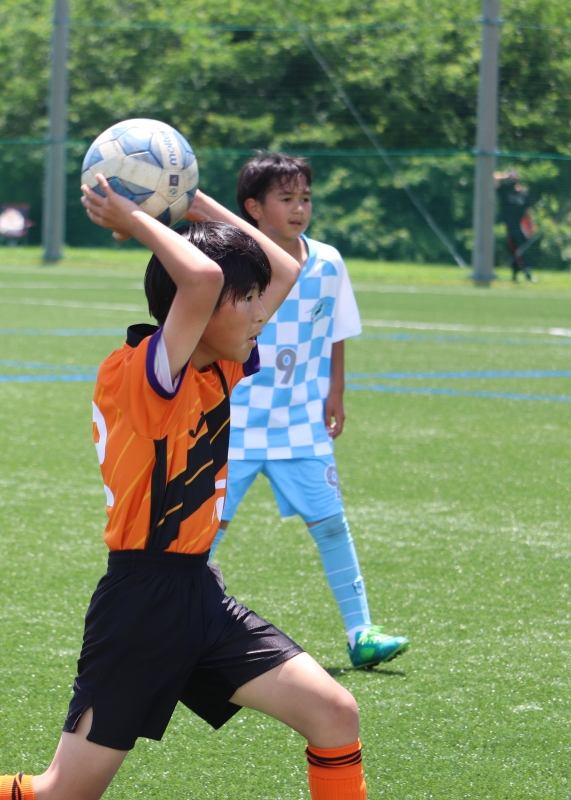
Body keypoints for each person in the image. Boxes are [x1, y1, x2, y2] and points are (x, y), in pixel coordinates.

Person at [0, 175, 369, 800]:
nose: (261, 312)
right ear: (196, 306)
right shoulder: (140, 371)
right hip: (140, 604)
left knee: (335, 714)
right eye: (245, 299)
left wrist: (190, 202)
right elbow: (203, 278)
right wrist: (136, 217)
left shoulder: (219, 367)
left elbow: (284, 271)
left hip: (200, 594)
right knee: (62, 793)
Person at [209, 152, 408, 670]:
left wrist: (335, 391)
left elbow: (336, 330)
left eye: (305, 198)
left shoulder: (328, 261)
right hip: (235, 423)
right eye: (286, 198)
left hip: (301, 422)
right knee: (204, 529)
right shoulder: (236, 261)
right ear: (253, 207)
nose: (299, 208)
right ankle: (168, 621)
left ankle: (361, 632)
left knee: (331, 524)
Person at [494, 169, 536, 283]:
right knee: (512, 251)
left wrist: (530, 225)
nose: (512, 181)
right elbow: (493, 177)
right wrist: (506, 176)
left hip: (521, 227)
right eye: (511, 179)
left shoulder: (523, 193)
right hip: (509, 226)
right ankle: (515, 275)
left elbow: (528, 211)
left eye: (514, 178)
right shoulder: (505, 190)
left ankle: (527, 273)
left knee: (522, 250)